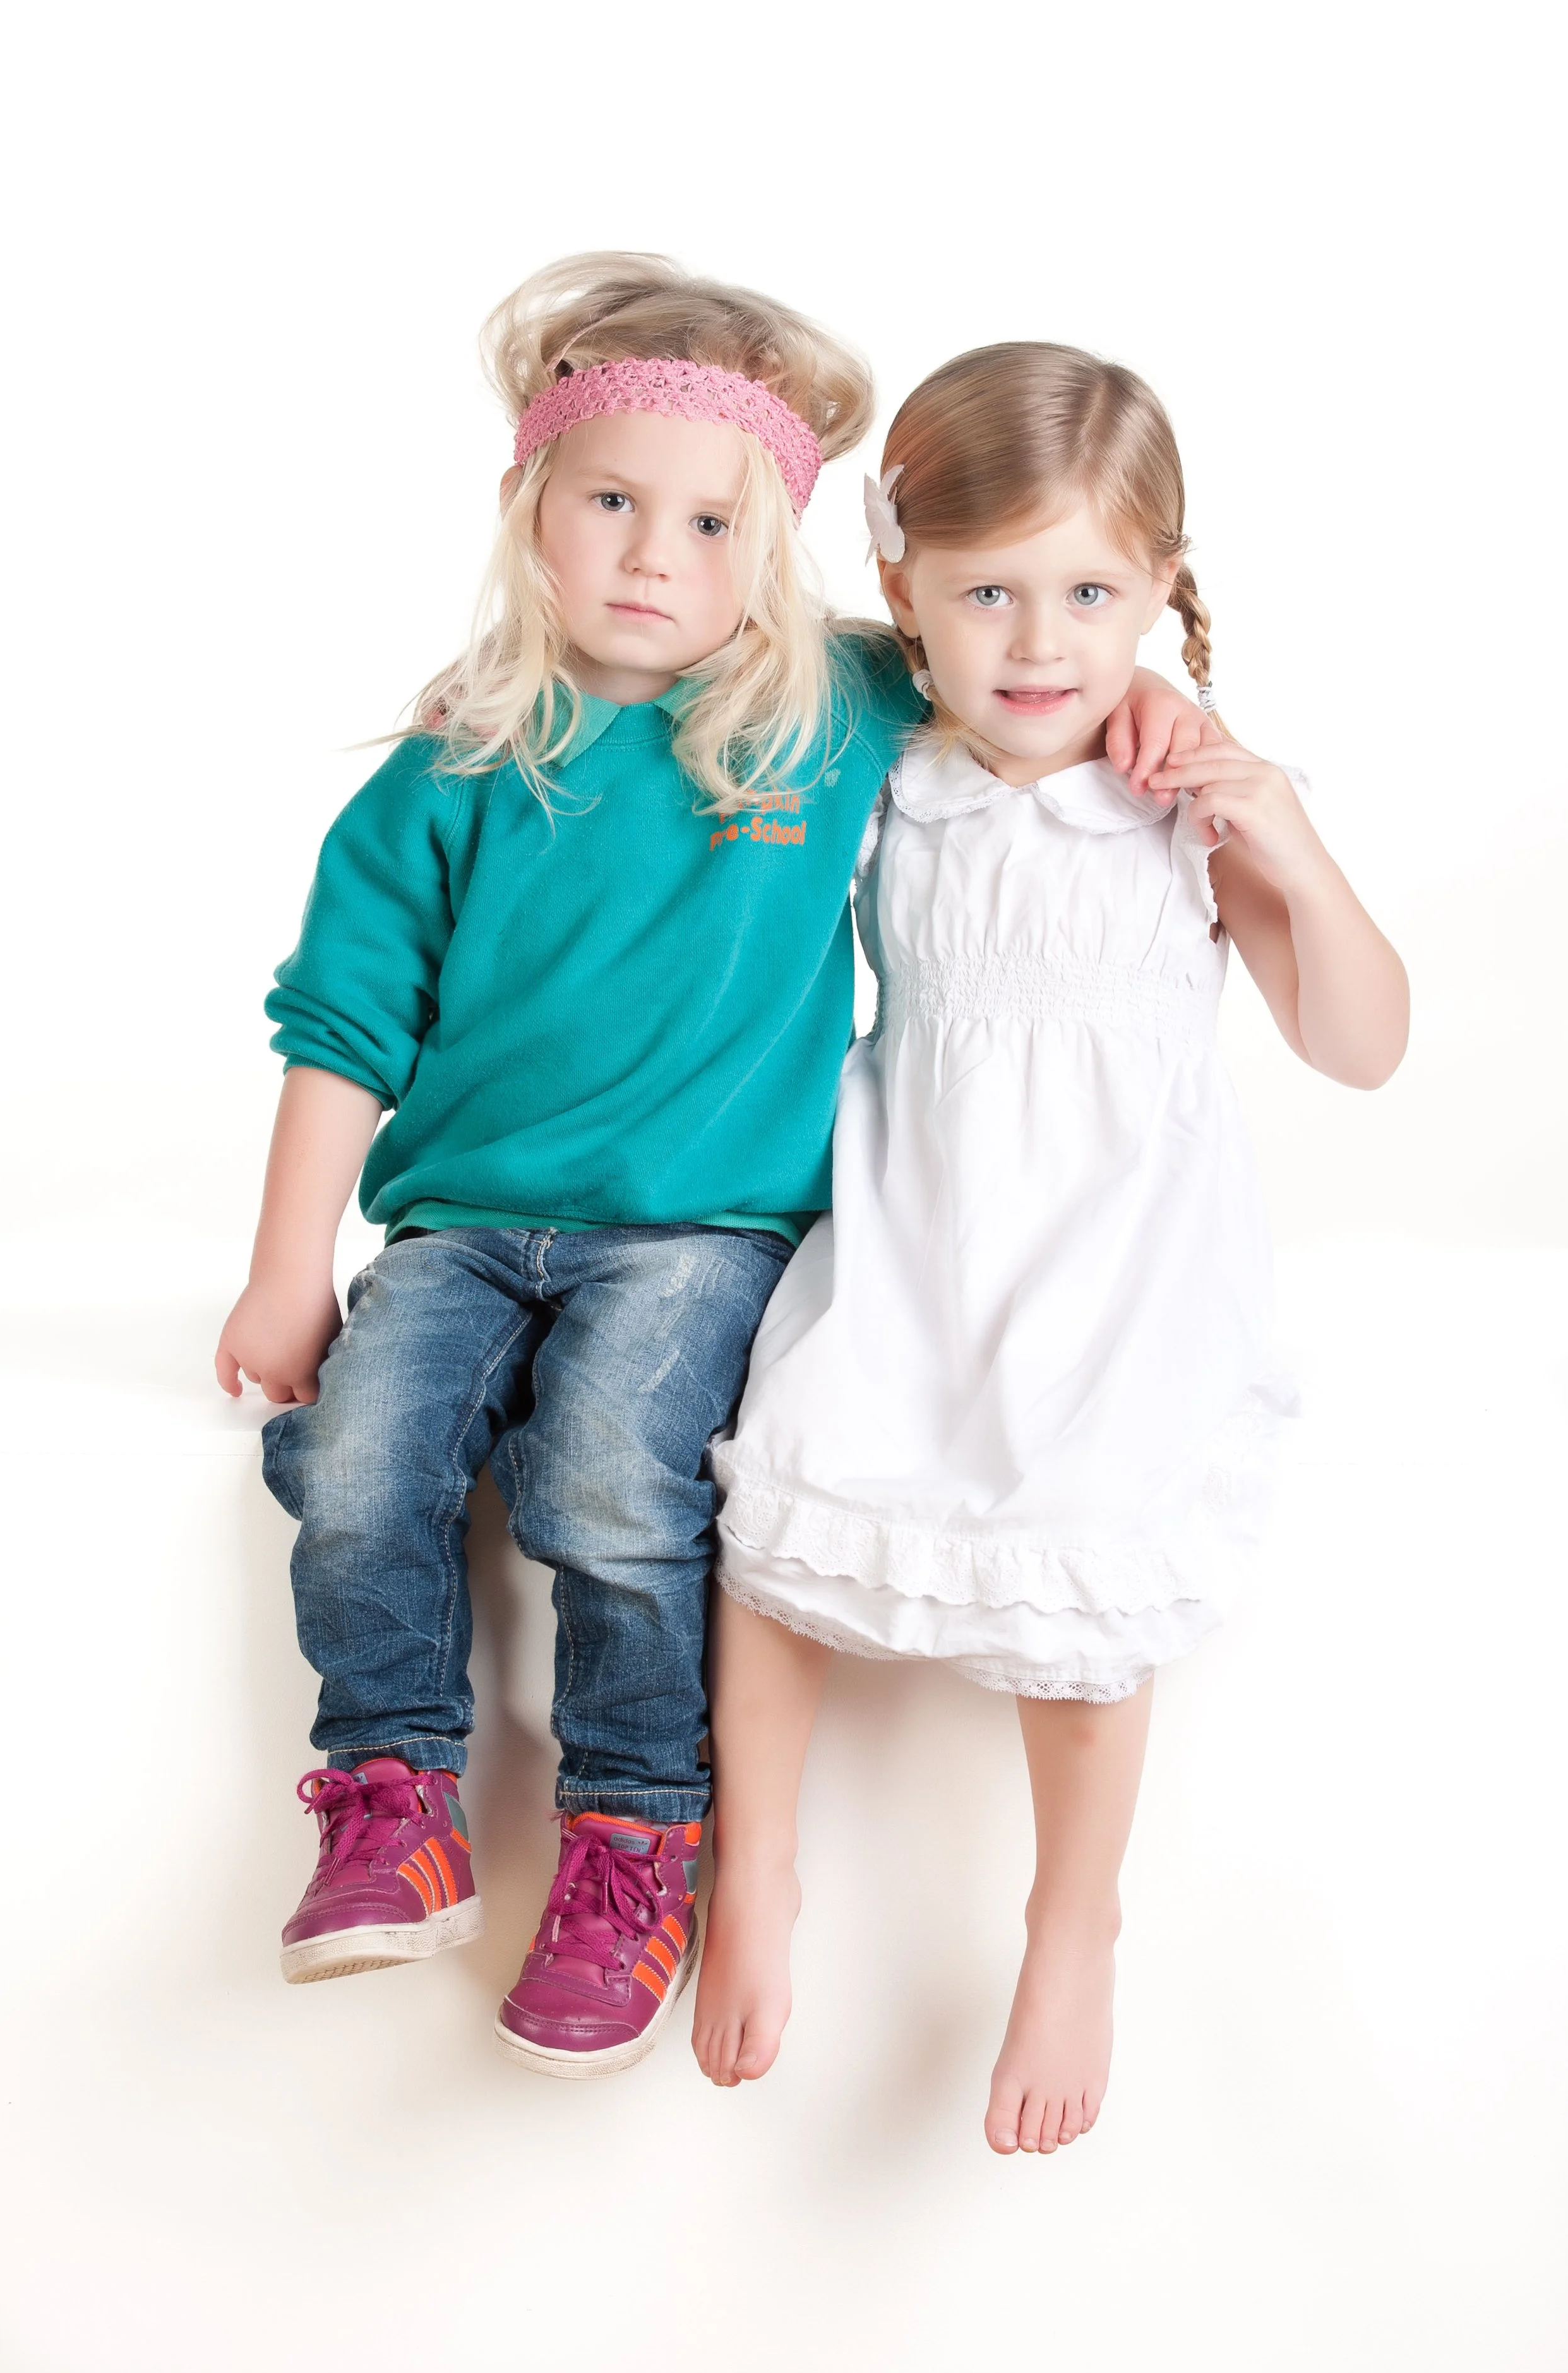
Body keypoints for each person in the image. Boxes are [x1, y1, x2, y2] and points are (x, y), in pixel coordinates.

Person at [213, 266, 1208, 2077]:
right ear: (531, 509)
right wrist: (292, 1269)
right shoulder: (456, 756)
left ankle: (633, 1830)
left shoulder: (829, 704)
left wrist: (1157, 704)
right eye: (609, 501)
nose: (652, 554)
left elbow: (1032, 634)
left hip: (701, 1233)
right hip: (461, 1224)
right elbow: (341, 1015)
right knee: (356, 1456)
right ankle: (389, 1788)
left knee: (607, 1474)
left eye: (708, 518)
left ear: (785, 546)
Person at [693, 340, 1409, 2147]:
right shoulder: (882, 771)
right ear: (900, 592)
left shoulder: (1187, 795)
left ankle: (1071, 1919)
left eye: (1091, 591)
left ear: (1160, 590)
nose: (1037, 642)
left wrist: (1298, 850)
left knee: (1087, 1559)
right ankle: (755, 1864)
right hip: (919, 1220)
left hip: (1116, 1253)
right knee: (777, 1495)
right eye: (985, 591)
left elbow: (1362, 1044)